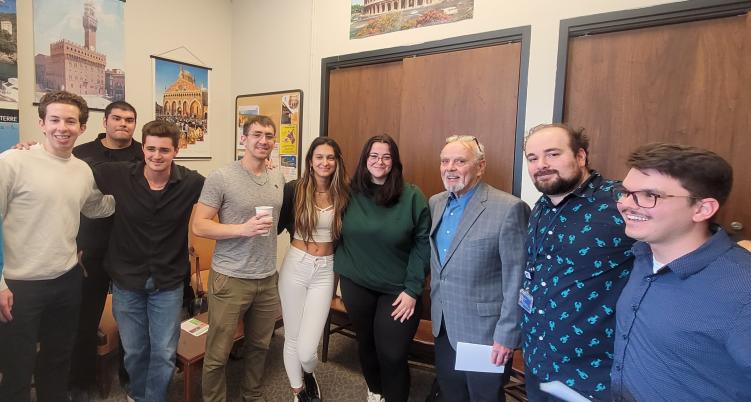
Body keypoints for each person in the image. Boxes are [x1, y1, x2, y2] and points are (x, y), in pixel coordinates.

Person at [610, 143, 751, 401]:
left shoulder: (743, 291)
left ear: (702, 209)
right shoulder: (642, 256)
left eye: (649, 195)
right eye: (626, 192)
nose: (626, 204)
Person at [0, 91, 115, 402]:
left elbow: (97, 207)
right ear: (41, 123)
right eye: (55, 119)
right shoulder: (13, 161)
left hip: (66, 280)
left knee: (57, 361)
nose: (62, 127)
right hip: (19, 286)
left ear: (82, 127)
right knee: (17, 368)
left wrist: (141, 192)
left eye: (70, 121)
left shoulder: (81, 170)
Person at [521, 124, 635, 401]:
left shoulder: (620, 200)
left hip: (591, 375)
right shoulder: (542, 205)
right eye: (533, 158)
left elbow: (685, 239)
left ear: (581, 156)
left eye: (553, 154)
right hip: (538, 359)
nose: (541, 165)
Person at [96, 120, 204, 402]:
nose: (157, 156)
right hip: (126, 282)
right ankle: (136, 394)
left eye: (164, 150)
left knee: (165, 352)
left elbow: (224, 188)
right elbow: (69, 167)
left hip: (167, 284)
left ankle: (152, 399)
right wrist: (30, 149)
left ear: (176, 151)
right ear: (142, 148)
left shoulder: (191, 182)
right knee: (135, 350)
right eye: (151, 149)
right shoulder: (117, 175)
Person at [429, 135, 530, 402]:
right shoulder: (436, 203)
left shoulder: (509, 208)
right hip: (444, 325)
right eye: (444, 161)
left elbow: (516, 280)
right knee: (452, 394)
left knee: (483, 397)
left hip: (484, 334)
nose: (450, 167)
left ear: (480, 166)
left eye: (460, 161)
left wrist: (507, 335)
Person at [193, 115, 285, 402]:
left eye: (269, 136)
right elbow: (199, 225)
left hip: (267, 278)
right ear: (243, 139)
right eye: (257, 134)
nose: (263, 140)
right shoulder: (221, 177)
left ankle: (252, 395)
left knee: (259, 347)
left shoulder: (278, 176)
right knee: (218, 352)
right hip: (231, 278)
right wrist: (241, 229)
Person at [333, 134, 431, 402]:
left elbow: (423, 245)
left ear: (394, 162)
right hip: (357, 283)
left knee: (393, 353)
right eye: (373, 156)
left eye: (386, 156)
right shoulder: (348, 193)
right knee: (365, 343)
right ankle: (375, 391)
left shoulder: (412, 197)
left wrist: (413, 289)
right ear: (365, 160)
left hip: (398, 290)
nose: (379, 161)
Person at [70, 100, 141, 399]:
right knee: (84, 321)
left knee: (132, 324)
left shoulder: (145, 153)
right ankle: (81, 383)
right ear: (105, 122)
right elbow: (69, 202)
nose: (123, 124)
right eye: (117, 118)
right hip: (92, 250)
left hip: (133, 251)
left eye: (129, 119)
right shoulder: (81, 155)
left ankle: (129, 378)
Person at [277, 136, 349, 402]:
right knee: (292, 337)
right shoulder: (294, 189)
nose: (325, 162)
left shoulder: (344, 193)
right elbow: (277, 224)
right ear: (310, 161)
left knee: (307, 350)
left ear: (337, 162)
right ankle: (299, 391)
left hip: (326, 270)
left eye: (330, 157)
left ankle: (308, 372)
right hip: (296, 265)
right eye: (319, 157)